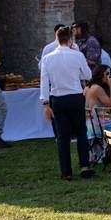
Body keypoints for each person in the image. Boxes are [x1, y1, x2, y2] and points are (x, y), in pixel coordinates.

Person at [40, 26, 93, 179]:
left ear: (57, 39)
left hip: (57, 98)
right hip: (75, 97)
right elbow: (88, 74)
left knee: (62, 136)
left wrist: (45, 104)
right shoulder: (77, 56)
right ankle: (84, 166)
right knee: (81, 132)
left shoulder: (47, 58)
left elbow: (44, 83)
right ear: (70, 39)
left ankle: (66, 171)